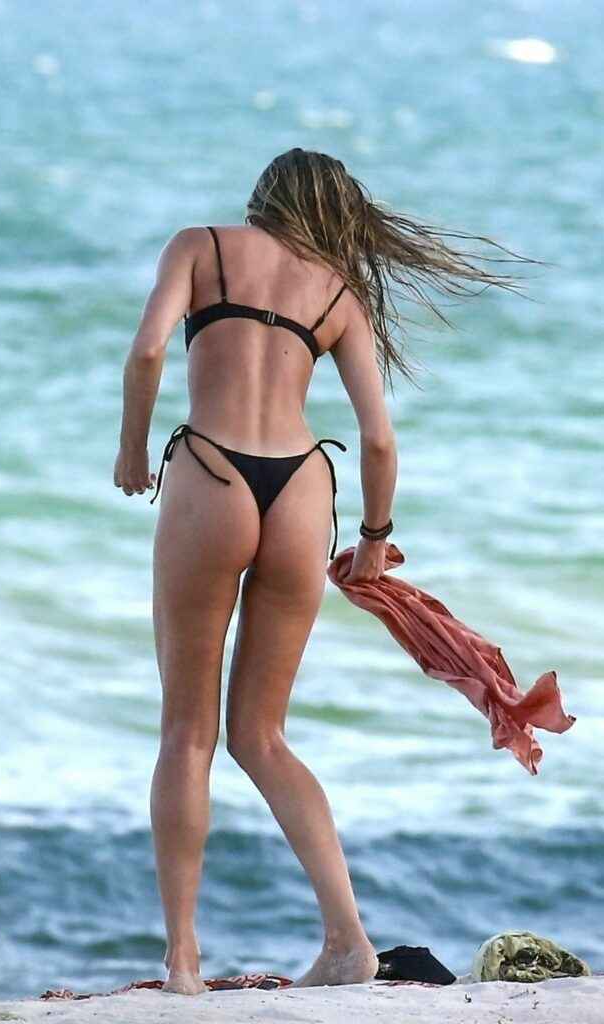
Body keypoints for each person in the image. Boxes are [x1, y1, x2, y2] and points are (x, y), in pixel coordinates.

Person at [114, 148, 533, 995]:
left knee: (188, 734)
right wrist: (375, 538)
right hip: (303, 490)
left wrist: (132, 450)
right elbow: (378, 439)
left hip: (212, 475)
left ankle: (184, 963)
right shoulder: (338, 293)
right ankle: (347, 940)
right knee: (262, 737)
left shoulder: (199, 246)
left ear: (262, 198)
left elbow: (149, 351)